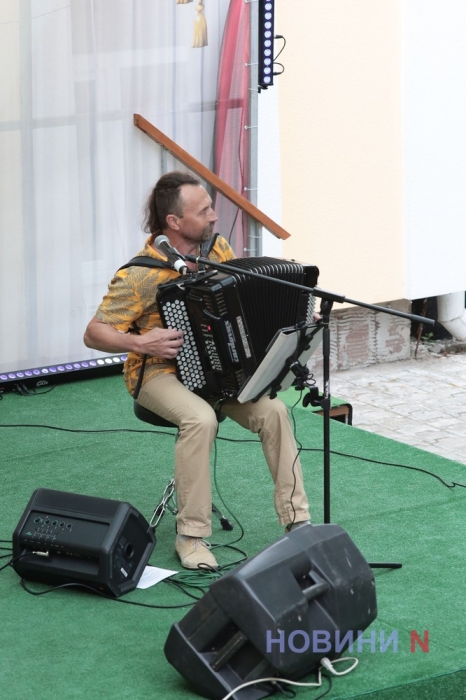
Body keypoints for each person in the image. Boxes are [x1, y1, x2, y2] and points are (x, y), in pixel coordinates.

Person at [84, 171, 310, 570]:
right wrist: (141, 341)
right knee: (200, 419)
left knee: (274, 411)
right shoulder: (138, 275)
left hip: (218, 370)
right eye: (204, 211)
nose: (214, 217)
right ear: (174, 222)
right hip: (157, 372)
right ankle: (190, 536)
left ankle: (298, 523)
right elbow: (94, 333)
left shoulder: (217, 249)